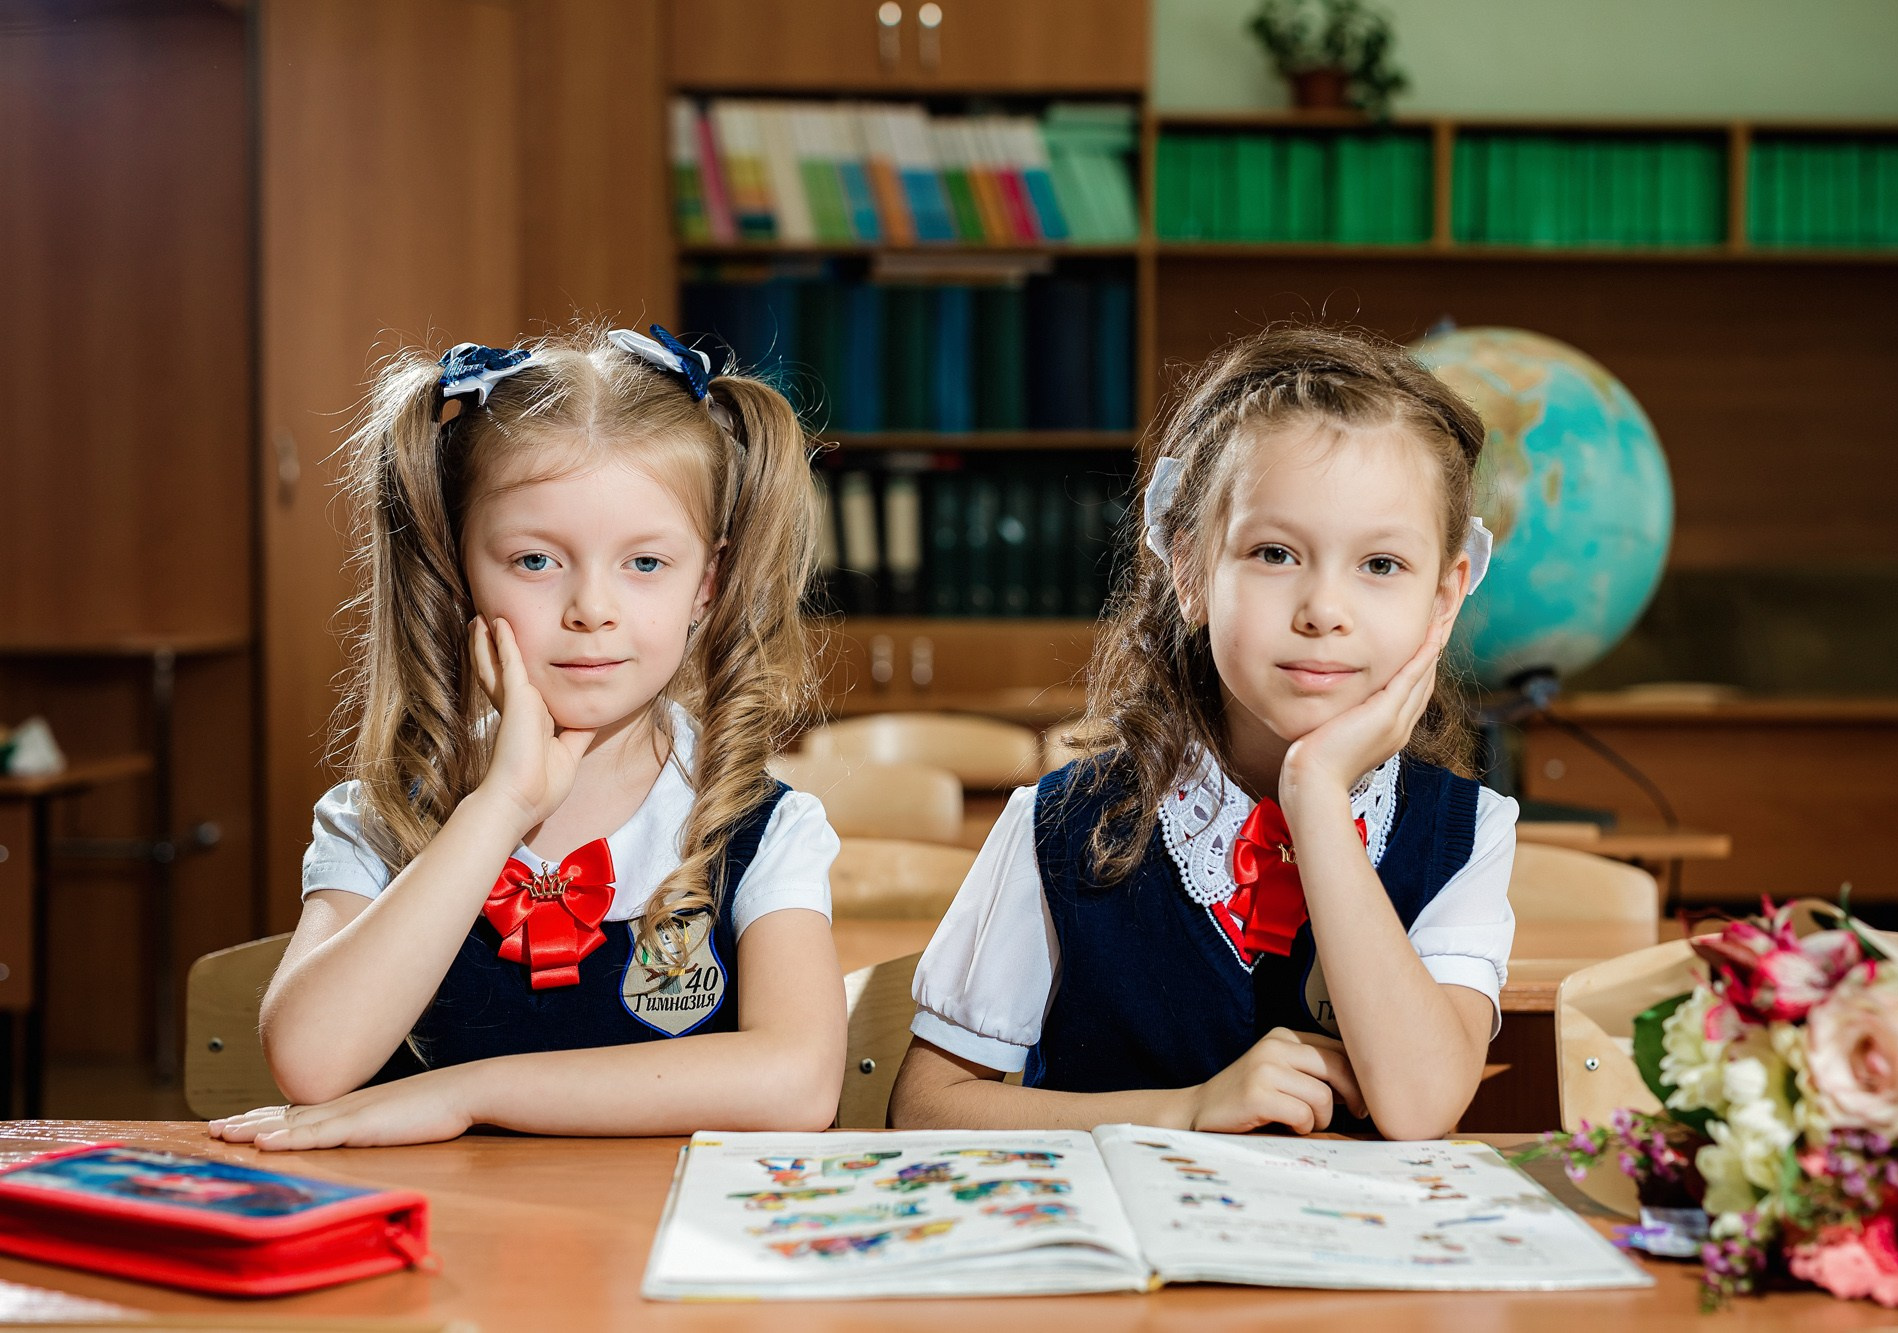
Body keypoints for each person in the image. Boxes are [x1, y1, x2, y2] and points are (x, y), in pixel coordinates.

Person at [211, 326, 844, 1150]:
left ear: (707, 584)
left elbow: (797, 1081)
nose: (592, 607)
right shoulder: (381, 816)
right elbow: (311, 1060)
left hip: (654, 1254)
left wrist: (471, 1093)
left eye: (645, 564)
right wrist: (499, 807)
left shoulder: (766, 828)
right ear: (458, 566)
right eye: (536, 560)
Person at [890, 325, 1518, 1141]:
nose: (1324, 610)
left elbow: (1421, 1106)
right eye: (1274, 551)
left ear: (1444, 596)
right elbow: (927, 1107)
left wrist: (1318, 795)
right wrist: (1184, 1110)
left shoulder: (1468, 835)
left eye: (1381, 565)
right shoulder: (1058, 826)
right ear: (1189, 570)